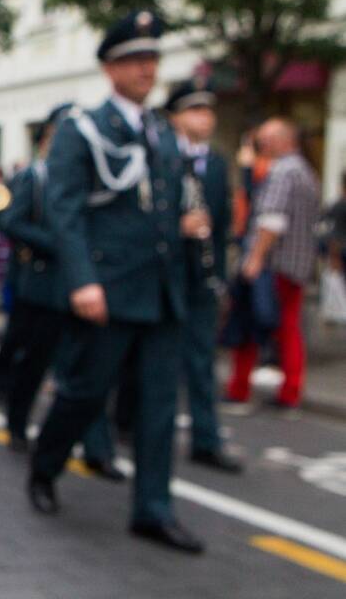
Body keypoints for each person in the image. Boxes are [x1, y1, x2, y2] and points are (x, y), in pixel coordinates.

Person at [27, 10, 206, 553]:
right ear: (110, 68)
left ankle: (153, 509)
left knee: (157, 406)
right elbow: (64, 210)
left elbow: (157, 206)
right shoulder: (84, 129)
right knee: (84, 393)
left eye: (152, 58)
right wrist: (82, 280)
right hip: (107, 287)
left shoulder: (161, 132)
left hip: (161, 290)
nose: (146, 68)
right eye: (134, 59)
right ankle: (45, 464)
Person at [0, 108, 121, 479]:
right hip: (44, 287)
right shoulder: (34, 176)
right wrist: (55, 244)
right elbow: (12, 222)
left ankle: (98, 449)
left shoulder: (98, 178)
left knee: (89, 371)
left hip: (84, 287)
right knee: (34, 363)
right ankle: (17, 424)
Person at [165, 77, 241, 472]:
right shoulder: (159, 155)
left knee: (201, 360)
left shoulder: (215, 163)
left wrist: (221, 277)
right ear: (175, 117)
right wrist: (177, 228)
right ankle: (125, 422)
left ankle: (205, 439)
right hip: (165, 273)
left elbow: (224, 224)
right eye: (196, 110)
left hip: (202, 277)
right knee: (149, 358)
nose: (206, 118)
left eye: (209, 111)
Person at [226, 118, 320, 408]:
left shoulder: (283, 171)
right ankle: (289, 390)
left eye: (266, 139)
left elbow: (272, 220)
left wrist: (254, 258)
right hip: (295, 264)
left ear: (284, 140)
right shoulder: (305, 171)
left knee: (252, 326)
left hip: (274, 265)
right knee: (288, 328)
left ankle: (242, 388)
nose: (262, 145)